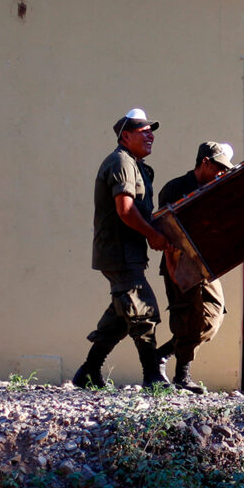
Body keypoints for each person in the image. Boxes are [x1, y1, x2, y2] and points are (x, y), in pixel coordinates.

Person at [73, 108, 171, 390]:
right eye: (144, 131)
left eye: (151, 130)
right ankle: (153, 376)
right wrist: (153, 235)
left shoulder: (134, 164)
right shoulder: (121, 161)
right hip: (118, 252)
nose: (151, 135)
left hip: (126, 253)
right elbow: (126, 210)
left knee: (121, 315)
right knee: (143, 310)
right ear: (125, 136)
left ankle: (89, 371)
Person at [153, 142, 236, 393]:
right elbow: (166, 231)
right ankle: (182, 375)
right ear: (205, 162)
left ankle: (163, 354)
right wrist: (171, 266)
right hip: (178, 261)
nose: (221, 173)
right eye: (219, 167)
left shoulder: (217, 189)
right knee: (185, 317)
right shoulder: (175, 188)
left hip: (205, 265)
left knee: (213, 315)